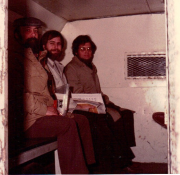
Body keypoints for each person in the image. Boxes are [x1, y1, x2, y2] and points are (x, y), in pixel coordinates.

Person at [9, 17, 90, 174]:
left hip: (38, 115)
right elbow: (16, 95)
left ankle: (87, 167)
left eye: (35, 31)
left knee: (80, 119)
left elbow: (44, 92)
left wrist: (57, 109)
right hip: (26, 121)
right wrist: (44, 110)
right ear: (17, 35)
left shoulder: (35, 59)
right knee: (67, 125)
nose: (33, 35)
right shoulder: (12, 59)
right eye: (28, 31)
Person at [64, 35, 137, 173]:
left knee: (126, 114)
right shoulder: (71, 68)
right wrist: (99, 102)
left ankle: (123, 159)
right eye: (82, 49)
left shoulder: (91, 67)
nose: (86, 52)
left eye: (89, 49)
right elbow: (76, 95)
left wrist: (111, 103)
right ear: (75, 51)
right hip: (82, 107)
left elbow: (98, 91)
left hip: (97, 103)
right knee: (108, 119)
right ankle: (118, 163)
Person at [39, 30, 95, 166]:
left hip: (61, 108)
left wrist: (80, 106)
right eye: (52, 43)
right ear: (44, 46)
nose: (56, 47)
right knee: (78, 121)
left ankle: (88, 165)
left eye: (59, 44)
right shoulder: (41, 66)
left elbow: (63, 95)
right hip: (46, 110)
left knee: (83, 119)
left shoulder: (59, 66)